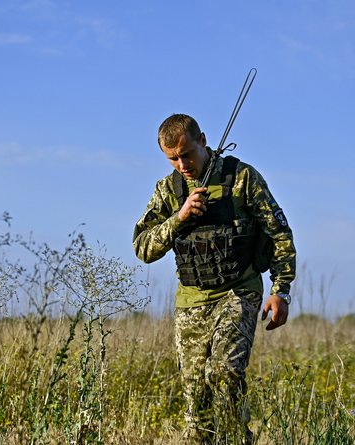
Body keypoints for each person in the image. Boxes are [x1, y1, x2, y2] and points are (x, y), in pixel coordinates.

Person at [132, 114, 296, 444]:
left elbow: (279, 234)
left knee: (223, 373)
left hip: (239, 290)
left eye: (186, 154)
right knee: (197, 409)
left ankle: (236, 438)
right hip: (191, 301)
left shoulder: (242, 178)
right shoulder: (168, 190)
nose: (182, 164)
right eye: (172, 158)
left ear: (203, 140)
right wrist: (178, 219)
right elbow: (143, 248)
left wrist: (281, 290)